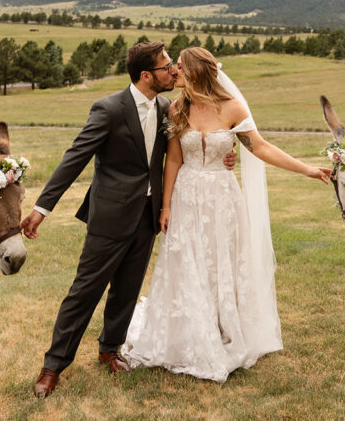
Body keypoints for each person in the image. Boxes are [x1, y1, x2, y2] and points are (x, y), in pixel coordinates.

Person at [19, 41, 235, 398]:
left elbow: (195, 144)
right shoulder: (108, 109)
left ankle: (110, 349)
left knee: (128, 290)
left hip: (148, 218)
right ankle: (52, 367)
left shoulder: (168, 107)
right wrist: (42, 208)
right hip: (109, 217)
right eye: (168, 67)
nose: (174, 71)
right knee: (84, 292)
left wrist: (229, 157)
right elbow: (76, 157)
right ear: (147, 75)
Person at [121, 47, 332, 382]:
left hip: (223, 198)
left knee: (222, 264)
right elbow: (173, 160)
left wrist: (306, 169)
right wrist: (166, 204)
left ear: (196, 72)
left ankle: (223, 329)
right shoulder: (178, 109)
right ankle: (190, 330)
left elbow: (260, 147)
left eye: (180, 68)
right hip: (188, 196)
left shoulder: (233, 108)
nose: (174, 72)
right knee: (188, 263)